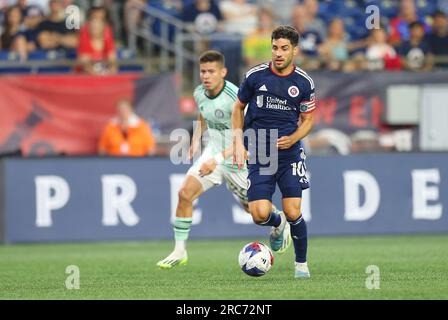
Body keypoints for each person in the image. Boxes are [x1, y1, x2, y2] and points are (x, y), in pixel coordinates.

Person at [156, 50, 288, 269]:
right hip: (214, 153)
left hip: (238, 159)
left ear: (223, 72)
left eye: (211, 72)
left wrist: (217, 159)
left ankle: (280, 221)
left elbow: (248, 135)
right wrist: (196, 139)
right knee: (184, 193)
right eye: (203, 72)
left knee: (255, 213)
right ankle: (179, 251)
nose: (206, 76)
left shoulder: (235, 98)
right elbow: (203, 113)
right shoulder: (199, 92)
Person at [232, 26, 315, 278]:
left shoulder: (304, 82)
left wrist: (293, 139)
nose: (278, 53)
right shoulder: (255, 76)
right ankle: (277, 224)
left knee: (293, 210)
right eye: (275, 47)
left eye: (284, 48)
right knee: (259, 215)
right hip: (259, 150)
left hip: (288, 154)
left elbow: (308, 119)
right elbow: (238, 108)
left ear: (295, 50)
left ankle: (301, 265)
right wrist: (237, 141)